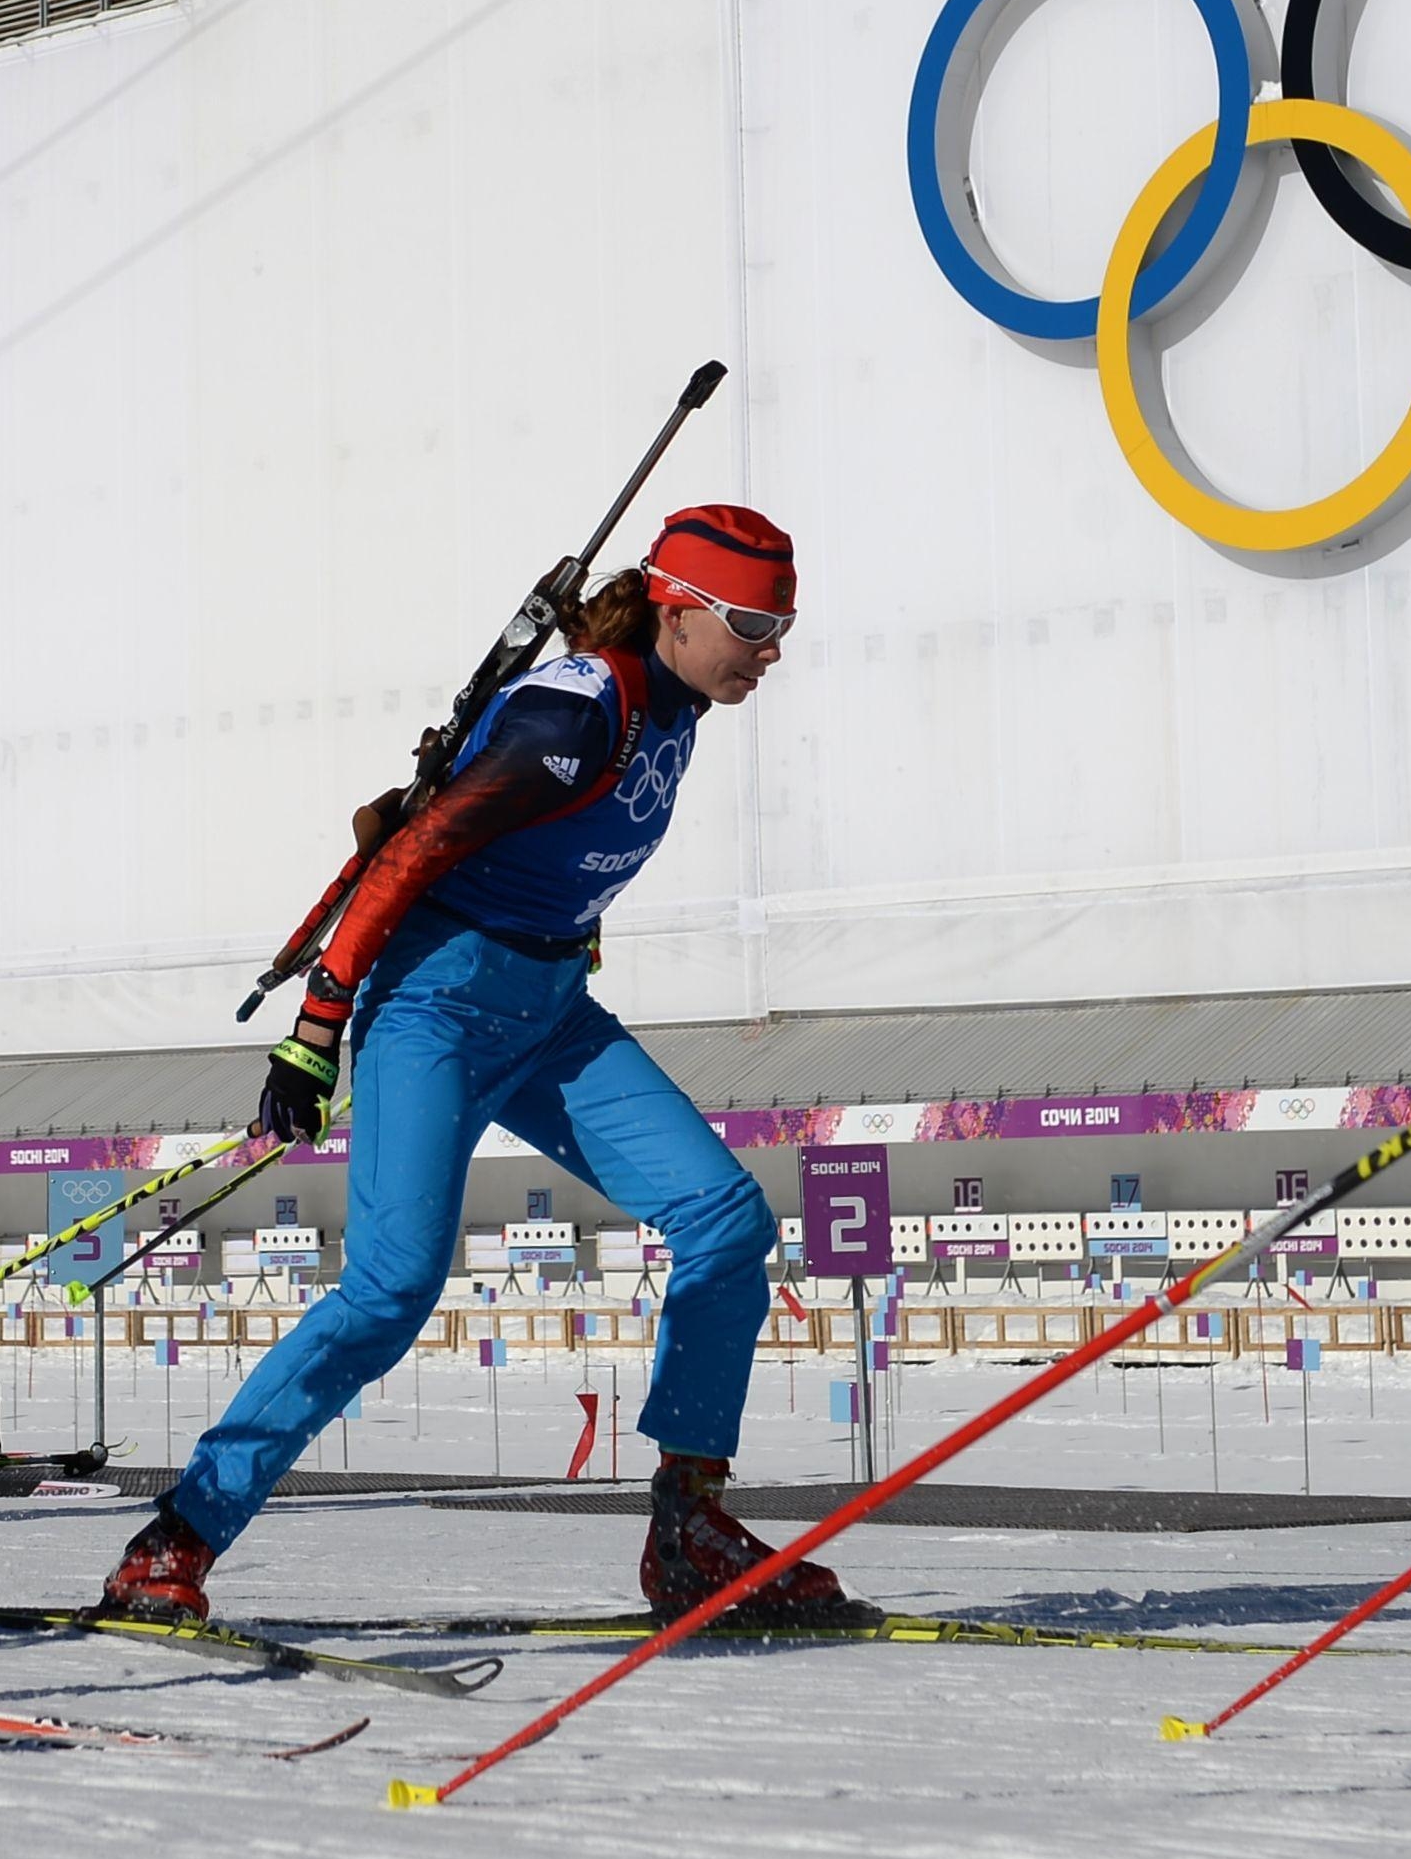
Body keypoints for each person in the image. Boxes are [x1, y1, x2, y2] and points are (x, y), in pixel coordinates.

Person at [100, 507, 862, 1628]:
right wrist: (316, 1027)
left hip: (549, 1011)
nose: (771, 649)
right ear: (677, 605)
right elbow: (412, 850)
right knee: (392, 1289)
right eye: (751, 622)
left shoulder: (681, 702)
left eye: (784, 624)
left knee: (724, 1219)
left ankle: (689, 1526)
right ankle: (175, 1540)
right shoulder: (576, 707)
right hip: (436, 1006)